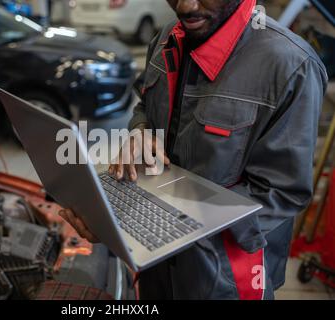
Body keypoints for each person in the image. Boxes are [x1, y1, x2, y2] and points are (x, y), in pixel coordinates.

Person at [59, 0, 328, 299]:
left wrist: (172, 222)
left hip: (225, 276)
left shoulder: (290, 65)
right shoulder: (166, 39)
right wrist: (141, 131)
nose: (185, 6)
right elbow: (144, 105)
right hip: (155, 265)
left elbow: (285, 193)